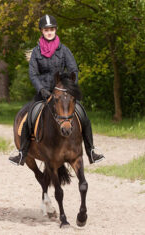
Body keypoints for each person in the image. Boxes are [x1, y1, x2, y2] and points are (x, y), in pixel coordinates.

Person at [9, 15, 105, 166]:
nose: (49, 32)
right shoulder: (36, 52)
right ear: (42, 31)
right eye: (46, 30)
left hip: (63, 93)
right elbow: (33, 74)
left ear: (55, 30)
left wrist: (70, 89)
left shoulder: (64, 50)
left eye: (52, 29)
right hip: (44, 92)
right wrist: (41, 89)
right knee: (29, 118)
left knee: (83, 116)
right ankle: (22, 152)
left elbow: (74, 70)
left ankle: (91, 151)